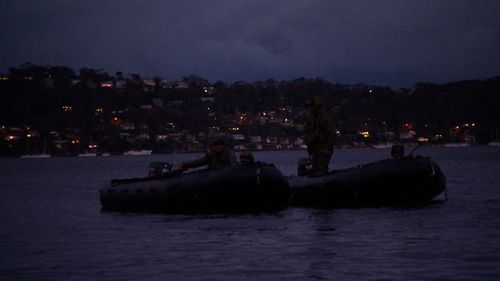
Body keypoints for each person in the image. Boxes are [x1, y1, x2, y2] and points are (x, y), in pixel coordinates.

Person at [304, 96, 335, 175]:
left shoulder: (323, 118)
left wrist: (327, 148)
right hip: (315, 149)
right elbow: (309, 133)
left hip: (323, 148)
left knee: (322, 170)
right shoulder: (312, 118)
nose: (310, 109)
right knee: (315, 169)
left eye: (312, 106)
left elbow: (331, 133)